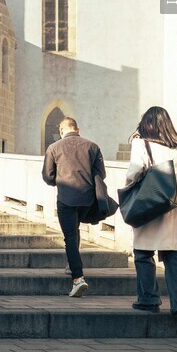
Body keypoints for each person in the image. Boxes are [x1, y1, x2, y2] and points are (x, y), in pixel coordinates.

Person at [124, 106, 177, 335]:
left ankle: (148, 299)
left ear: (146, 123)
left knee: (143, 251)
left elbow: (134, 172)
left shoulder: (141, 143)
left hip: (153, 200)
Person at [42, 117, 106, 297]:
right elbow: (101, 174)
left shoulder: (53, 148)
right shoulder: (93, 146)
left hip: (66, 198)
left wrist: (60, 182)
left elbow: (48, 176)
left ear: (61, 131)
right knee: (75, 230)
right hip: (87, 199)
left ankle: (78, 279)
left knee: (70, 236)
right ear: (77, 130)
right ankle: (72, 264)